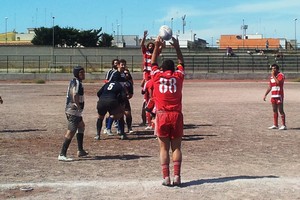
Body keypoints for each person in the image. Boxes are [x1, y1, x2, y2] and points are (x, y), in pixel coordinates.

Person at [151, 35, 184, 187]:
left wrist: (157, 46)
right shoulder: (178, 77)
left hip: (162, 114)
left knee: (163, 148)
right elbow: (181, 62)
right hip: (176, 115)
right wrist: (176, 46)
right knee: (176, 147)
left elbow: (152, 63)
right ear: (173, 68)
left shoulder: (157, 76)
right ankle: (177, 177)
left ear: (163, 69)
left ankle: (166, 178)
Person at [58, 66, 88, 162]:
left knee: (81, 126)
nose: (83, 74)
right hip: (73, 111)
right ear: (77, 74)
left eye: (83, 72)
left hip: (74, 111)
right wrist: (78, 106)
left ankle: (80, 150)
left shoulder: (74, 81)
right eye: (81, 73)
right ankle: (62, 154)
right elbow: (75, 95)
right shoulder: (77, 82)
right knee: (71, 131)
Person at [95, 72, 128, 140]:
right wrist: (120, 103)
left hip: (101, 102)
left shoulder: (106, 84)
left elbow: (98, 93)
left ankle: (98, 135)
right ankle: (122, 134)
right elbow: (123, 96)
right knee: (120, 116)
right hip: (112, 101)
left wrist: (103, 99)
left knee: (100, 118)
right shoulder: (119, 85)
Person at [263, 63, 287, 130]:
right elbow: (270, 86)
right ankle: (275, 124)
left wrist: (273, 76)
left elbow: (278, 83)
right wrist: (265, 95)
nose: (273, 70)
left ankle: (284, 125)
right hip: (273, 95)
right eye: (272, 69)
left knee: (281, 110)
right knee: (274, 110)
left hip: (279, 95)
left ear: (277, 69)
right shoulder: (271, 77)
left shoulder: (281, 75)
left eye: (274, 69)